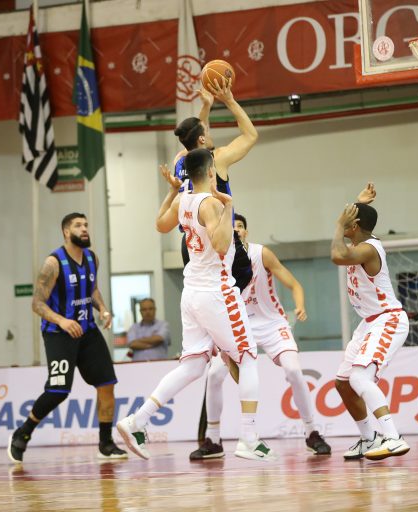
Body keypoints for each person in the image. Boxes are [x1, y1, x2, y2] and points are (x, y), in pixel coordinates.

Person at [117, 148, 275, 461]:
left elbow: (160, 225)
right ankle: (248, 438)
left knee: (192, 366)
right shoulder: (212, 203)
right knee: (247, 357)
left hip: (191, 292)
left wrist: (172, 191)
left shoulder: (182, 200)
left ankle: (137, 421)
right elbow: (220, 244)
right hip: (217, 291)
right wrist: (228, 208)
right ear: (211, 170)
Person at [190, 215, 332, 460]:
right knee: (214, 375)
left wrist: (300, 306)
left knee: (294, 371)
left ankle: (312, 433)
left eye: (240, 227)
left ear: (246, 232)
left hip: (271, 323)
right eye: (231, 227)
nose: (237, 230)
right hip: (235, 326)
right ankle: (212, 440)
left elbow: (295, 285)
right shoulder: (215, 260)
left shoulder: (261, 253)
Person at [7, 213, 127, 463]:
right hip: (59, 333)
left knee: (107, 384)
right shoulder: (53, 263)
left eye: (86, 225)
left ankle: (105, 443)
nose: (84, 229)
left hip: (88, 330)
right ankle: (23, 432)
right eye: (78, 225)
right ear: (66, 232)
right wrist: (62, 320)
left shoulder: (92, 258)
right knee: (58, 390)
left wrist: (103, 309)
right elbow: (37, 303)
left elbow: (92, 290)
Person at [330, 183, 411, 461]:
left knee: (359, 377)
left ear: (354, 227)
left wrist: (338, 225)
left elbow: (337, 256)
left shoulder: (368, 249)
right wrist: (358, 203)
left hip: (388, 319)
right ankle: (369, 439)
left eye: (347, 222)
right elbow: (357, 226)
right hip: (369, 323)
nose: (342, 223)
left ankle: (393, 437)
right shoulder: (360, 240)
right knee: (343, 383)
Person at [172, 80, 256, 291]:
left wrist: (206, 106)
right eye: (207, 131)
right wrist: (229, 100)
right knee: (237, 286)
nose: (210, 133)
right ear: (202, 138)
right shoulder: (216, 159)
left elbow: (195, 135)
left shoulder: (179, 160)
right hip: (217, 236)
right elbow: (250, 135)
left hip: (191, 243)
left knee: (203, 292)